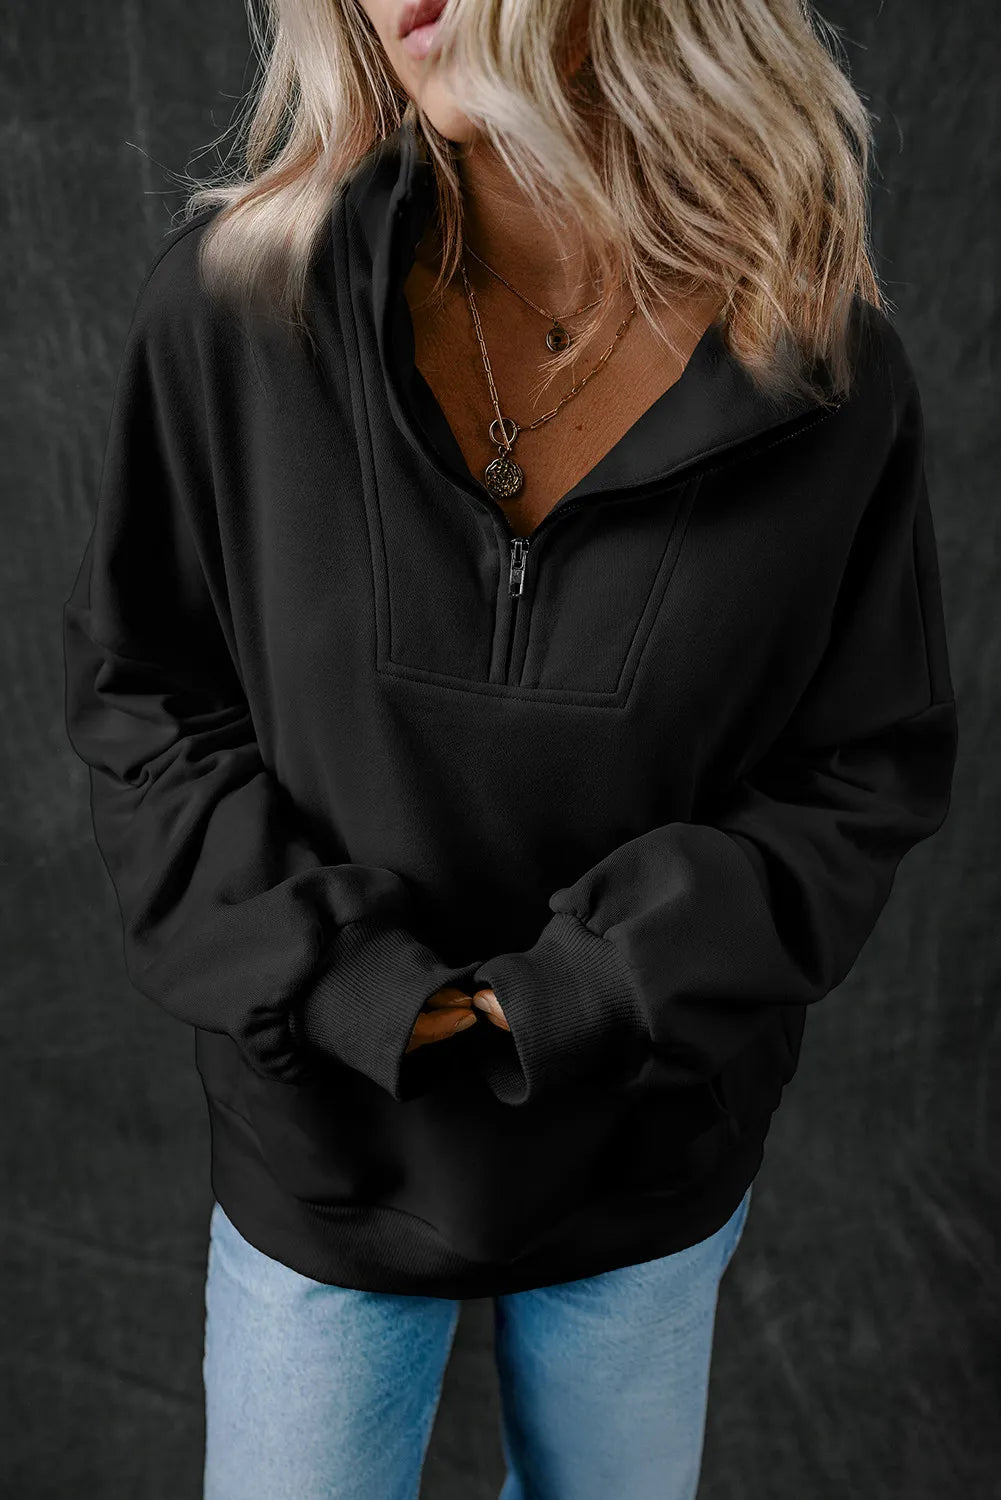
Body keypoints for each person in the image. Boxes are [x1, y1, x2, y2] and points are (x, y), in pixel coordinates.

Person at [60, 0, 959, 1495]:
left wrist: (604, 986)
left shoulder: (815, 362)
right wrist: (339, 979)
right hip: (322, 1152)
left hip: (646, 1154)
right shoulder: (236, 308)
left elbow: (861, 770)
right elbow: (145, 701)